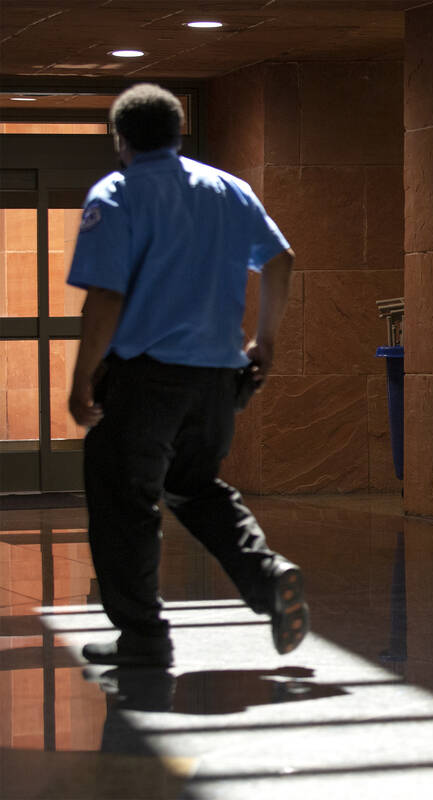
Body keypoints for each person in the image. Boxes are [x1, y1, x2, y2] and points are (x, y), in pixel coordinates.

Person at [67, 83, 307, 668]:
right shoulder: (229, 190)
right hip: (218, 381)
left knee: (124, 499)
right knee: (194, 485)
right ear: (177, 133)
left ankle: (143, 638)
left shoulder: (117, 193)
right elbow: (280, 259)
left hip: (146, 379)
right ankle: (267, 574)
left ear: (119, 138)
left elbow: (105, 296)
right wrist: (265, 340)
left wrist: (81, 380)